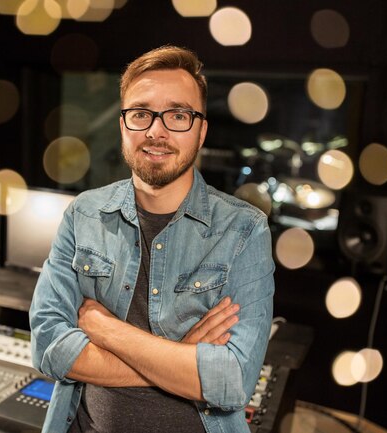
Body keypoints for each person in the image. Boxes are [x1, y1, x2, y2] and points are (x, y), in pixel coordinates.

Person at [29, 45, 275, 433]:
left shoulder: (244, 230)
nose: (156, 131)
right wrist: (183, 359)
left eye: (177, 115)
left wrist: (105, 329)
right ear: (123, 125)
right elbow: (49, 348)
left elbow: (231, 382)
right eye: (141, 114)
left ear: (201, 129)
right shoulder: (84, 214)